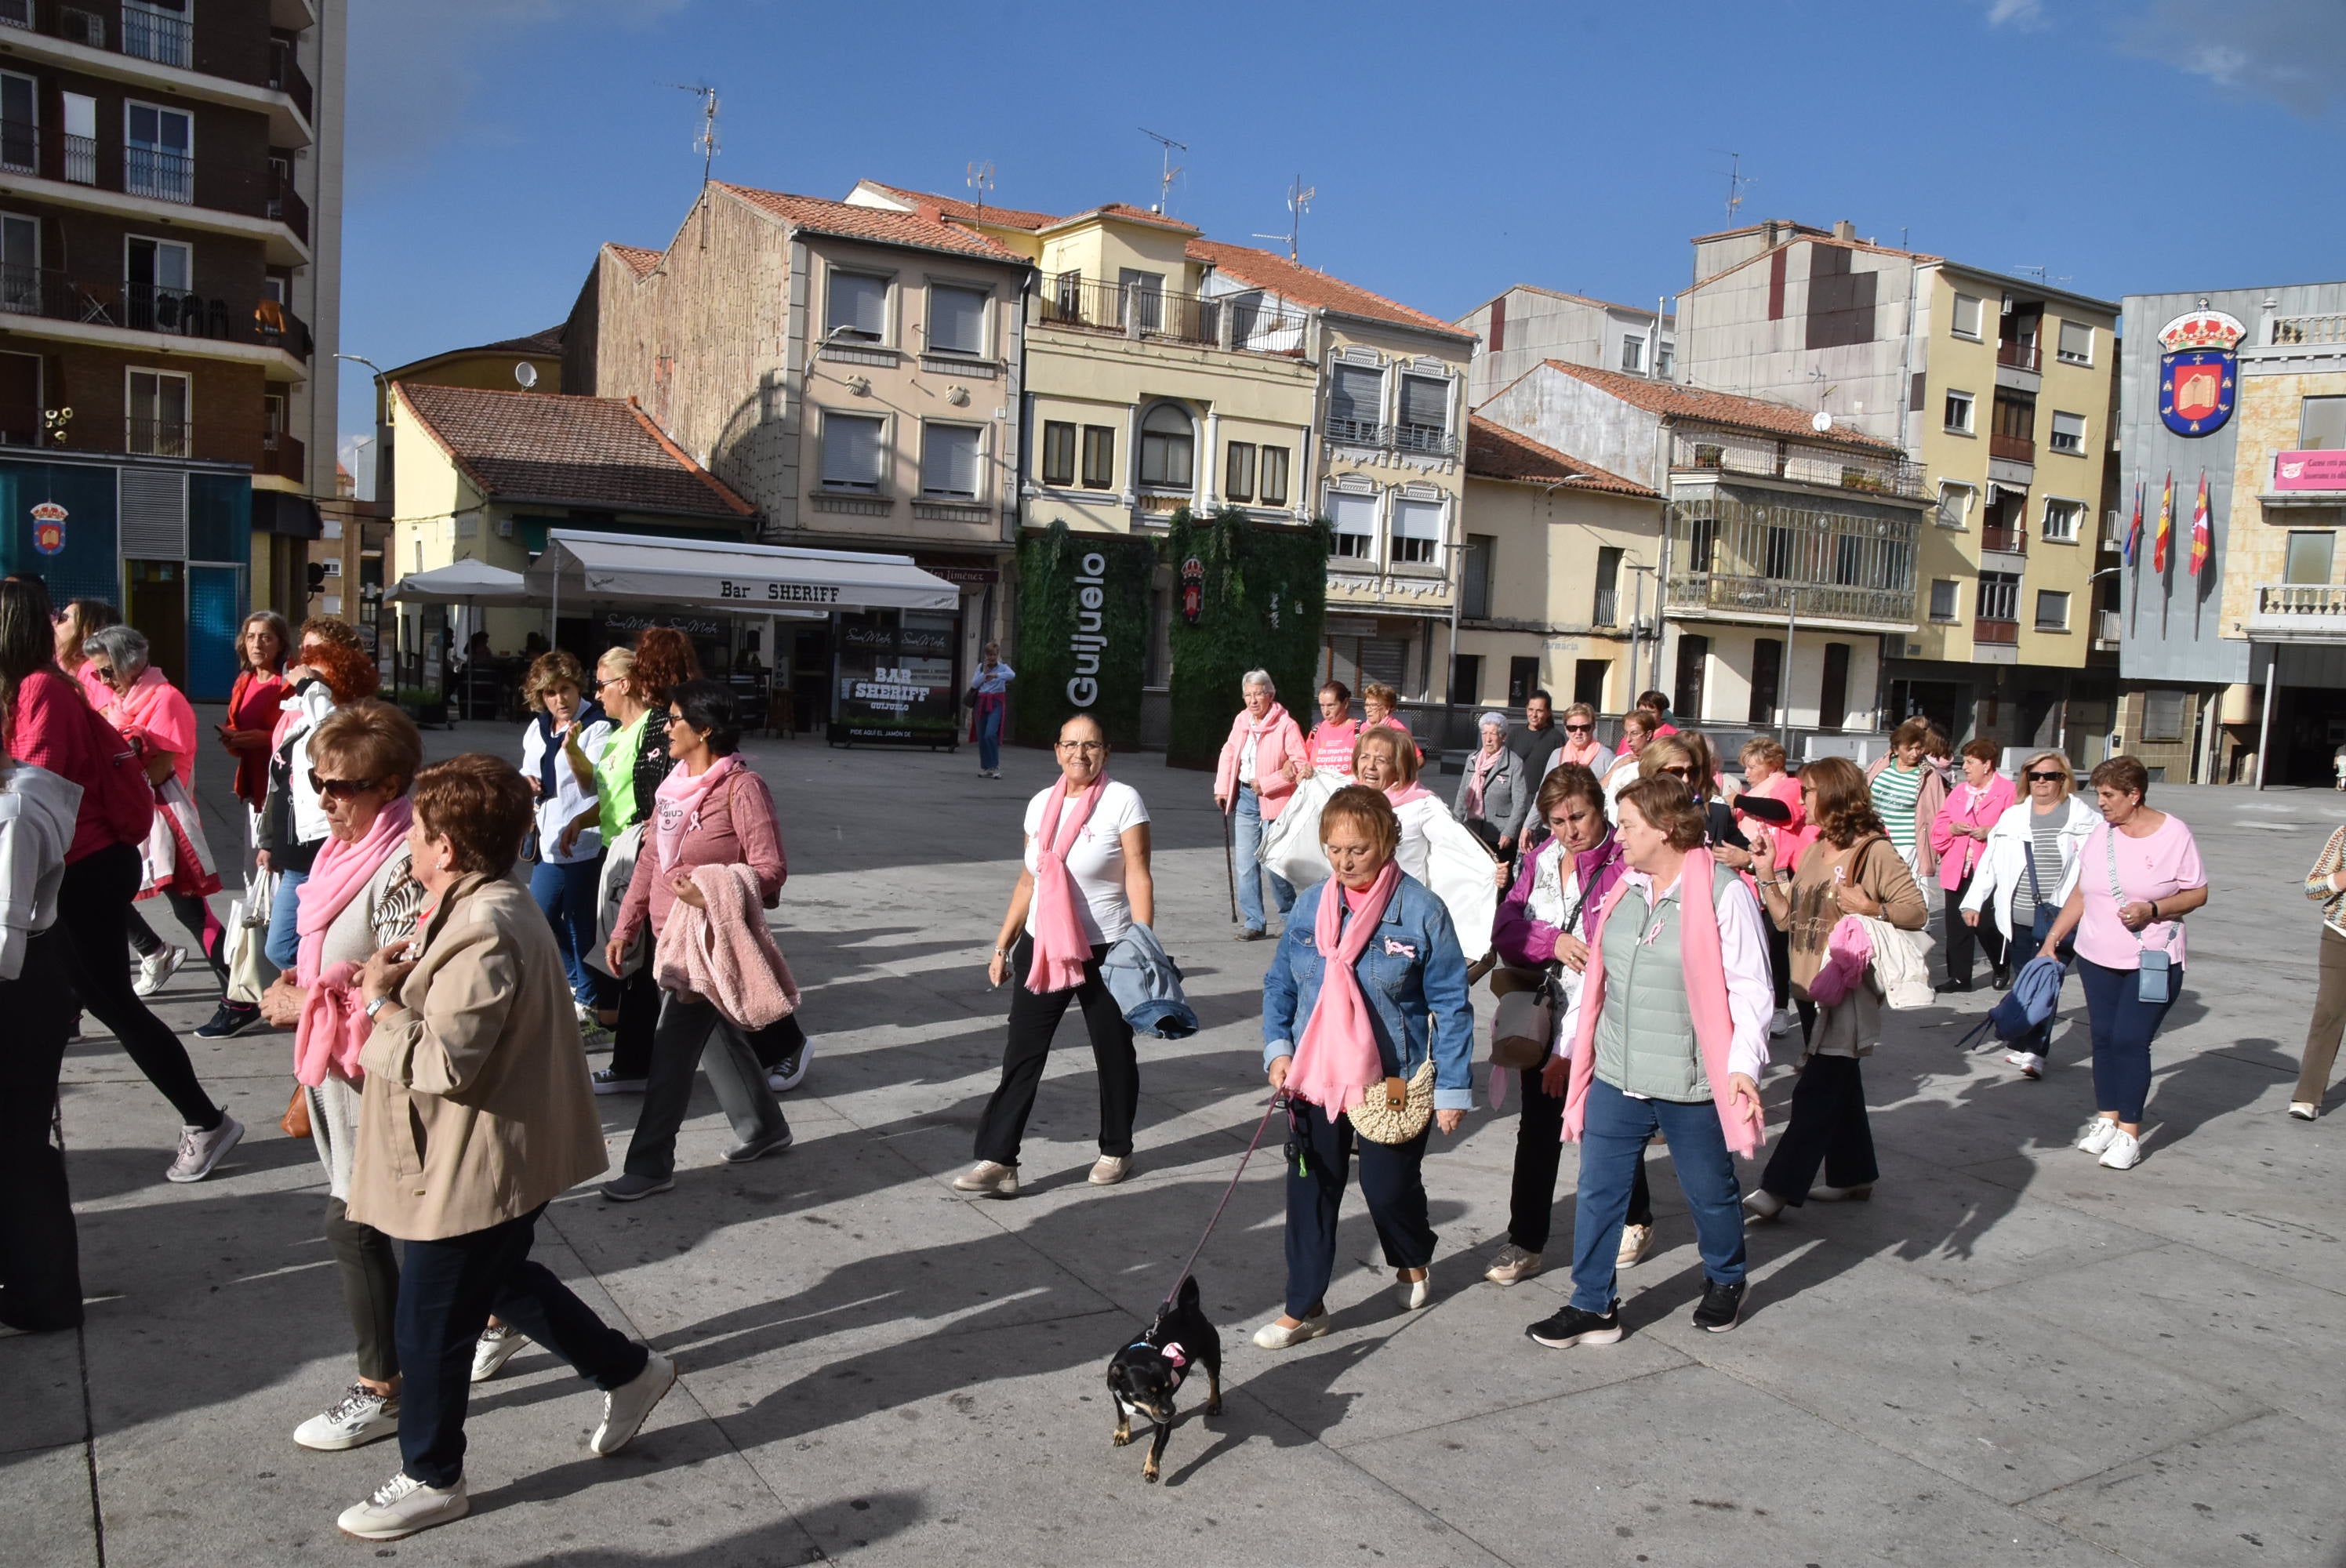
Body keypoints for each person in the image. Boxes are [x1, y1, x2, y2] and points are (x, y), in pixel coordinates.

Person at [336, 753, 674, 1541]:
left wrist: (380, 1004)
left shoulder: (484, 923)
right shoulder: (482, 903)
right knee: (501, 1279)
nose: (406, 843)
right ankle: (628, 1370)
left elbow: (442, 1061)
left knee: (429, 1324)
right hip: (489, 1150)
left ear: (447, 845)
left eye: (416, 831)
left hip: (477, 1159)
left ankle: (433, 1476)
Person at [0, 579, 241, 1181]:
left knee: (109, 1002)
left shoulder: (39, 690)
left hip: (81, 867)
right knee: (65, 1000)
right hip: (69, 865)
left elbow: (33, 790)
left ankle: (205, 1121)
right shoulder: (30, 687)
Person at [1527, 777, 1771, 1348]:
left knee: (1708, 1190)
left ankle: (1726, 1278)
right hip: (1618, 1072)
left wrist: (1744, 1066)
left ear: (1665, 829)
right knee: (1599, 1191)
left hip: (1689, 1078)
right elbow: (1599, 979)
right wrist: (1570, 1049)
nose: (1619, 836)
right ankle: (1592, 1303)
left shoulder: (1724, 892)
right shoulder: (1625, 887)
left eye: (1629, 826)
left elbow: (1752, 989)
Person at [1254, 785, 1473, 1348]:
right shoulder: (1310, 905)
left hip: (1392, 1075)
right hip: (1315, 1071)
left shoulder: (1421, 911)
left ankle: (1412, 1254)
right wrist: (1278, 1048)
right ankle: (1304, 1306)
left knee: (1387, 1187)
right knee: (1311, 1187)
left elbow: (1451, 1005)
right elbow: (1280, 983)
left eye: (1358, 850)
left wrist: (1452, 1089)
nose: (1345, 862)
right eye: (1334, 849)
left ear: (1387, 843)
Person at [284, 702, 427, 1453]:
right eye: (318, 781)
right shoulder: (339, 852)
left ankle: (382, 1389)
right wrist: (301, 982)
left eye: (342, 786)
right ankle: (508, 1319)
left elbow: (405, 973)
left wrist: (309, 997)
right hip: (336, 1073)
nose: (325, 798)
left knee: (356, 1225)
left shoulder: (403, 857)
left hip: (378, 1074)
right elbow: (333, 952)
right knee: (441, 1233)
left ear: (390, 785)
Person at [601, 681, 797, 1200]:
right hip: (667, 936)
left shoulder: (743, 788)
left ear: (705, 729)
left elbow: (771, 868)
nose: (665, 728)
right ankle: (764, 1127)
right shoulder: (673, 786)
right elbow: (650, 860)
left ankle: (650, 1164)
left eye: (674, 719)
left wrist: (710, 891)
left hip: (709, 941)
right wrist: (625, 926)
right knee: (714, 1035)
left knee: (670, 1050)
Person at [957, 712, 1153, 1196]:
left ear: (1105, 752)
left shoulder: (1123, 800)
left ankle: (1117, 1148)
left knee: (1113, 1052)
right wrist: (1003, 944)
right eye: (1071, 744)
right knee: (1022, 1053)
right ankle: (999, 1159)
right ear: (1057, 750)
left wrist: (1143, 939)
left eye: (1091, 745)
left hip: (1107, 947)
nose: (1079, 754)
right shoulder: (1041, 803)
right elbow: (1029, 880)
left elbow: (1138, 873)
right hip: (1044, 945)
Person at [1745, 756, 1928, 1217]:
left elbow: (1916, 911)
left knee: (1817, 1089)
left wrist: (1872, 908)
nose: (1801, 800)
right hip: (1809, 989)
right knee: (1840, 1087)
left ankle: (1778, 1188)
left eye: (1808, 791)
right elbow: (1786, 919)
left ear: (1833, 794)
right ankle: (1853, 1176)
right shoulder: (1814, 848)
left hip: (1845, 990)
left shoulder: (1873, 851)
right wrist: (1766, 872)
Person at [1485, 765, 1638, 1285]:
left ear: (1600, 808)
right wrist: (1551, 941)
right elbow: (1506, 928)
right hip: (1546, 1011)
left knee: (1606, 1124)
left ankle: (1636, 1216)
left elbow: (1623, 948)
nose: (1570, 830)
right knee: (1539, 1127)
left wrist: (1573, 1048)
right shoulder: (1540, 859)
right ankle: (1525, 1241)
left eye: (1579, 816)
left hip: (1608, 1015)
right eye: (1557, 821)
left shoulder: (1625, 861)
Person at [2038, 757, 2207, 1171]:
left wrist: (2154, 908)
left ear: (2135, 795)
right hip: (2096, 956)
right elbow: (2082, 892)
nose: (2101, 803)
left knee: (2131, 1040)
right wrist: (2053, 939)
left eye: (2109, 795)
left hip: (2152, 958)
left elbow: (2198, 892)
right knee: (2103, 1038)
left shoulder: (2174, 834)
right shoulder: (2102, 833)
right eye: (2099, 794)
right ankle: (2107, 1119)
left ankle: (2130, 1133)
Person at [246, 618, 378, 1040]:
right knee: (288, 945)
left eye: (317, 655)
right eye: (303, 652)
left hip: (323, 844)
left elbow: (333, 743)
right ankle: (326, 1009)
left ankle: (332, 1009)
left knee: (289, 944)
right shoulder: (300, 711)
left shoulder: (342, 712)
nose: (305, 663)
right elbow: (280, 781)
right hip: (294, 845)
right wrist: (267, 841)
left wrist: (310, 688)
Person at [86, 626, 230, 1003]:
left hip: (166, 819)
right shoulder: (120, 701)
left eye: (107, 671)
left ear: (130, 663)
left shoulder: (166, 700)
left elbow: (159, 770)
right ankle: (152, 954)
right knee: (102, 893)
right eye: (97, 673)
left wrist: (111, 771)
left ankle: (237, 993)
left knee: (191, 911)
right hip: (129, 816)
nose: (103, 680)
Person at [0, 747, 88, 1331]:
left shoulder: (14, 811)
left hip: (19, 991)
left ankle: (43, 1295)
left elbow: (5, 938)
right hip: (25, 983)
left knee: (18, 1149)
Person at [1960, 751, 2097, 1079]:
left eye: (2050, 776)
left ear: (2064, 779)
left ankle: (2035, 1051)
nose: (2041, 782)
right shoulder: (2013, 817)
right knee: (2025, 979)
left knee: (2046, 981)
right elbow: (1991, 863)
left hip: (2061, 915)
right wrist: (1973, 901)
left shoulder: (2086, 820)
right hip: (2019, 916)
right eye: (2035, 776)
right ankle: (2024, 1042)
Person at [518, 651, 612, 1022]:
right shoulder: (539, 727)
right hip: (548, 838)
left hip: (584, 839)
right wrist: (526, 782)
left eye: (566, 689)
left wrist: (572, 750)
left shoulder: (597, 726)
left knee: (579, 923)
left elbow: (593, 784)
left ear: (578, 688)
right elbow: (527, 768)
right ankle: (577, 980)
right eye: (550, 693)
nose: (560, 700)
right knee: (537, 918)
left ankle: (588, 1000)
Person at [1215, 670, 1305, 942]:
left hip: (1275, 801)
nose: (1253, 700)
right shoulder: (1242, 721)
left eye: (1258, 694)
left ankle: (1290, 916)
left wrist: (1268, 783)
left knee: (1272, 864)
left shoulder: (1286, 725)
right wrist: (1222, 788)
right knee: (1245, 864)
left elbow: (1300, 763)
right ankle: (1254, 921)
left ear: (1270, 695)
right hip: (1245, 798)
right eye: (1248, 695)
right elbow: (1229, 753)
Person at [1930, 739, 2017, 993]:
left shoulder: (2008, 791)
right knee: (1957, 926)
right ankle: (1959, 978)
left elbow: (2016, 826)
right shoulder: (1959, 792)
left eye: (1970, 762)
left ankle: (2001, 964)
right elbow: (1940, 824)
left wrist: (1991, 831)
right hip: (1958, 867)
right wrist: (1951, 829)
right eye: (1965, 761)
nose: (1965, 767)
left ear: (1987, 765)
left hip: (1988, 869)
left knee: (1986, 923)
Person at [1734, 739, 1807, 1037]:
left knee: (1776, 945)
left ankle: (1779, 1008)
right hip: (1750, 875)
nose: (1747, 773)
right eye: (1746, 767)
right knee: (1754, 945)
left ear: (1773, 765)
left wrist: (1737, 801)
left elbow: (1779, 810)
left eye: (1753, 766)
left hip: (1781, 875)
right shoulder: (1751, 793)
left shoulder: (1787, 785)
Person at [2292, 823, 2346, 1119]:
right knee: (2329, 1013)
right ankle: (2307, 1096)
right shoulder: (2344, 835)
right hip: (2340, 935)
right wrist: (2343, 878)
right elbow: (2312, 887)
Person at [218, 611, 292, 823]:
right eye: (251, 637)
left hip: (282, 787)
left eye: (266, 637)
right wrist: (232, 739)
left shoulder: (290, 684)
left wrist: (266, 739)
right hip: (252, 786)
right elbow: (234, 726)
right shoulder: (244, 681)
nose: (257, 644)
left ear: (280, 644)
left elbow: (303, 734)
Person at [1865, 718, 1946, 882]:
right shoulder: (1881, 766)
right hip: (1873, 838)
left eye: (1919, 748)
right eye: (1909, 749)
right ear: (1896, 748)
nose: (1915, 754)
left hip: (1906, 845)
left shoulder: (1929, 775)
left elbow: (1940, 812)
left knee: (1901, 887)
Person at [1455, 711, 1531, 857]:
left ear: (1503, 737)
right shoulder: (1472, 760)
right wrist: (1455, 824)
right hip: (1473, 831)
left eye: (1493, 734)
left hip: (1499, 835)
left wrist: (1510, 832)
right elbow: (1462, 795)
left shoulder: (1514, 763)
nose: (1488, 739)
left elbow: (1520, 803)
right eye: (1484, 733)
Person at [53, 597, 119, 713]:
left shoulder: (92, 671)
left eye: (62, 618)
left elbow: (109, 715)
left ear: (86, 631)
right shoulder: (78, 671)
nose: (54, 623)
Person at [968, 641, 1015, 779]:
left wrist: (996, 675)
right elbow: (974, 684)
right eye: (989, 655)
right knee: (982, 736)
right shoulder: (981, 667)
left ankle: (995, 766)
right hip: (981, 702)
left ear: (997, 655)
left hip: (996, 702)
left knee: (990, 733)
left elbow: (1012, 675)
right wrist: (984, 673)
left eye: (994, 655)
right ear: (986, 655)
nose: (992, 657)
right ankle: (986, 767)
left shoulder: (1003, 668)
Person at [1303, 680, 1360, 775]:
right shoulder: (1316, 731)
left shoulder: (1361, 730)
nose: (1326, 712)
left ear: (1345, 703)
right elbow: (1303, 761)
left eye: (1331, 706)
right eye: (1322, 706)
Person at [1600, 713, 1653, 817]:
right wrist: (1616, 767)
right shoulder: (1620, 760)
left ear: (1648, 735)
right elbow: (1599, 788)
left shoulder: (1654, 763)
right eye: (1626, 733)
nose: (1628, 739)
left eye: (1634, 733)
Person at [1509, 690, 1566, 781]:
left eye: (1539, 711)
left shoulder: (1556, 738)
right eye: (1531, 709)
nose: (1534, 715)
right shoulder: (1515, 734)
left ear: (1548, 712)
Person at [1546, 702, 1612, 779]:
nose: (1578, 732)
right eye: (1572, 728)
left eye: (1584, 728)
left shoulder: (1606, 757)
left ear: (1593, 728)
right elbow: (1545, 785)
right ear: (1566, 730)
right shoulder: (1557, 755)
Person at [1360, 682, 1422, 761]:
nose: (1368, 710)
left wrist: (1395, 769)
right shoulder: (1361, 728)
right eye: (1367, 705)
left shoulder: (1398, 730)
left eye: (1374, 705)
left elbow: (1419, 760)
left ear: (1387, 708)